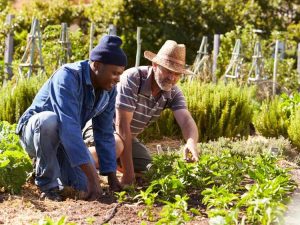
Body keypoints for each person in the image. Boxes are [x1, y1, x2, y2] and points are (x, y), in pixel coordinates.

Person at [16, 35, 127, 201]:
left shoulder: (109, 90)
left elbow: (104, 133)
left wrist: (111, 178)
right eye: (115, 73)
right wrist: (94, 178)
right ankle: (48, 185)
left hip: (64, 141)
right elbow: (69, 127)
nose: (118, 79)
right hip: (35, 133)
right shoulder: (68, 77)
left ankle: (52, 168)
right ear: (97, 65)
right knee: (49, 120)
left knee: (82, 187)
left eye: (120, 74)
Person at [86, 40, 199, 186]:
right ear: (155, 65)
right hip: (101, 130)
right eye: (168, 71)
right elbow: (122, 125)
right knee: (116, 146)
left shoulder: (172, 92)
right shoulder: (133, 78)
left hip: (127, 138)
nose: (172, 77)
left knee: (149, 170)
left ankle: (108, 165)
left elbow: (186, 120)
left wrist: (191, 142)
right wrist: (128, 173)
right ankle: (71, 162)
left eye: (177, 74)